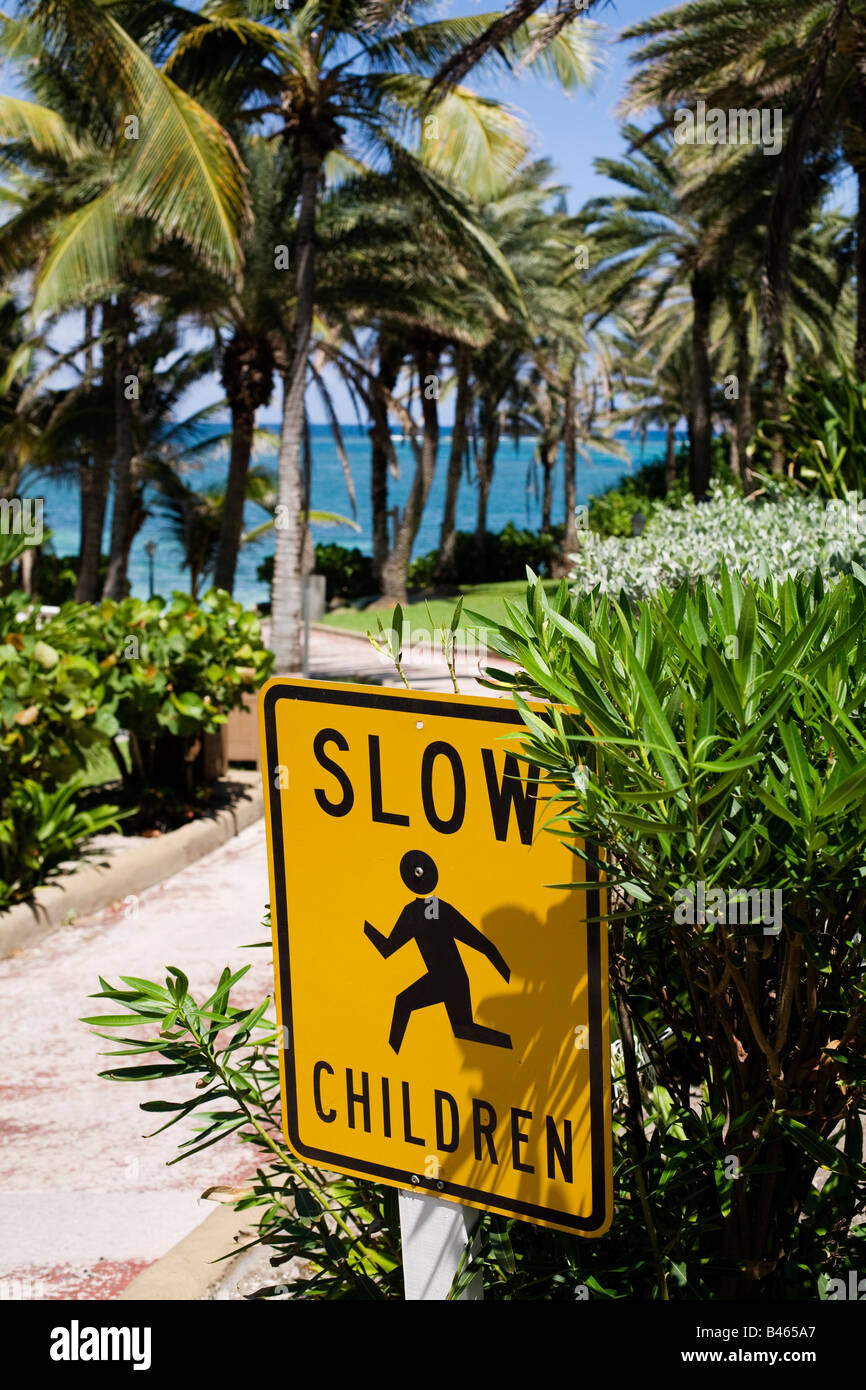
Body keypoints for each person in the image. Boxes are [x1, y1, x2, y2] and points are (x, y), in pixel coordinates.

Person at [364, 849, 512, 1054]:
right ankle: (388, 1055)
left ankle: (513, 1044)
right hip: (447, 978)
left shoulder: (420, 911)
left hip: (448, 979)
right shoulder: (431, 909)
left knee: (412, 1007)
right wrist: (507, 974)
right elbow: (484, 945)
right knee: (460, 1028)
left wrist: (365, 926)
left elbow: (386, 948)